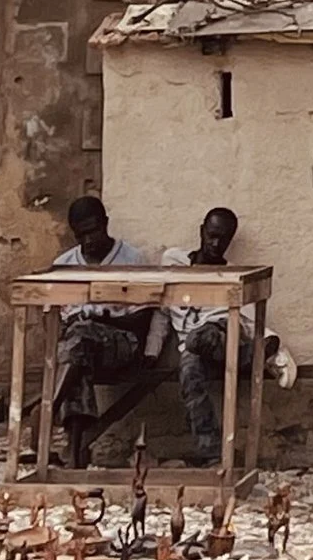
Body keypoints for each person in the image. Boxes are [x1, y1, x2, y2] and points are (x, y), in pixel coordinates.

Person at [48, 197, 160, 465]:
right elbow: (55, 322)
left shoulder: (132, 259)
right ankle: (76, 453)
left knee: (80, 338)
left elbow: (141, 321)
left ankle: (50, 407)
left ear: (106, 224)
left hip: (123, 343)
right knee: (77, 354)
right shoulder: (63, 265)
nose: (88, 240)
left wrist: (100, 317)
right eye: (81, 234)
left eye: (93, 230)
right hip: (79, 350)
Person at [161, 208, 247, 468]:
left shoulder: (234, 275)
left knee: (205, 334)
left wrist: (272, 344)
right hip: (192, 348)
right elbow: (161, 309)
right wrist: (150, 352)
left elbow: (251, 320)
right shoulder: (173, 262)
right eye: (211, 236)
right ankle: (210, 450)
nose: (215, 244)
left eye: (223, 239)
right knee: (189, 364)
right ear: (201, 231)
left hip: (223, 337)